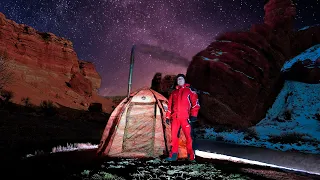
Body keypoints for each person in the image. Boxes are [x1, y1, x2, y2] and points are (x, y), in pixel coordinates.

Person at [165, 74, 200, 162]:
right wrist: (168, 117)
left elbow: (195, 104)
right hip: (175, 118)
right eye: (178, 79)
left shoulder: (189, 91)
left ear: (184, 80)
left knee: (188, 137)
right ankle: (173, 155)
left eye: (181, 79)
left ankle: (191, 156)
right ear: (177, 81)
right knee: (174, 137)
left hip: (186, 118)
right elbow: (170, 106)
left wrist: (193, 115)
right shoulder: (174, 93)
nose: (180, 80)